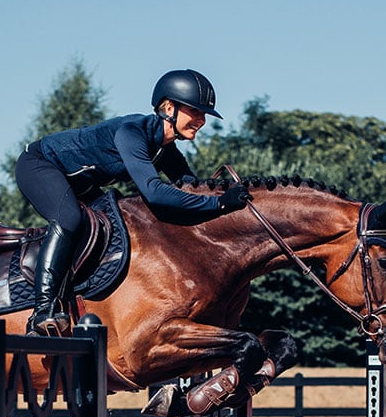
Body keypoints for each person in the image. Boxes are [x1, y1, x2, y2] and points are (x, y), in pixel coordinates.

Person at [15, 68, 251, 336]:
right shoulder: (132, 133)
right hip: (39, 164)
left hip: (80, 183)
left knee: (117, 226)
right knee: (70, 218)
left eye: (203, 115)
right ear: (168, 107)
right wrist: (220, 205)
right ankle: (42, 310)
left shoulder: (164, 150)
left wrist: (225, 193)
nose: (201, 120)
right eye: (195, 112)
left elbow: (190, 188)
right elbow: (155, 193)